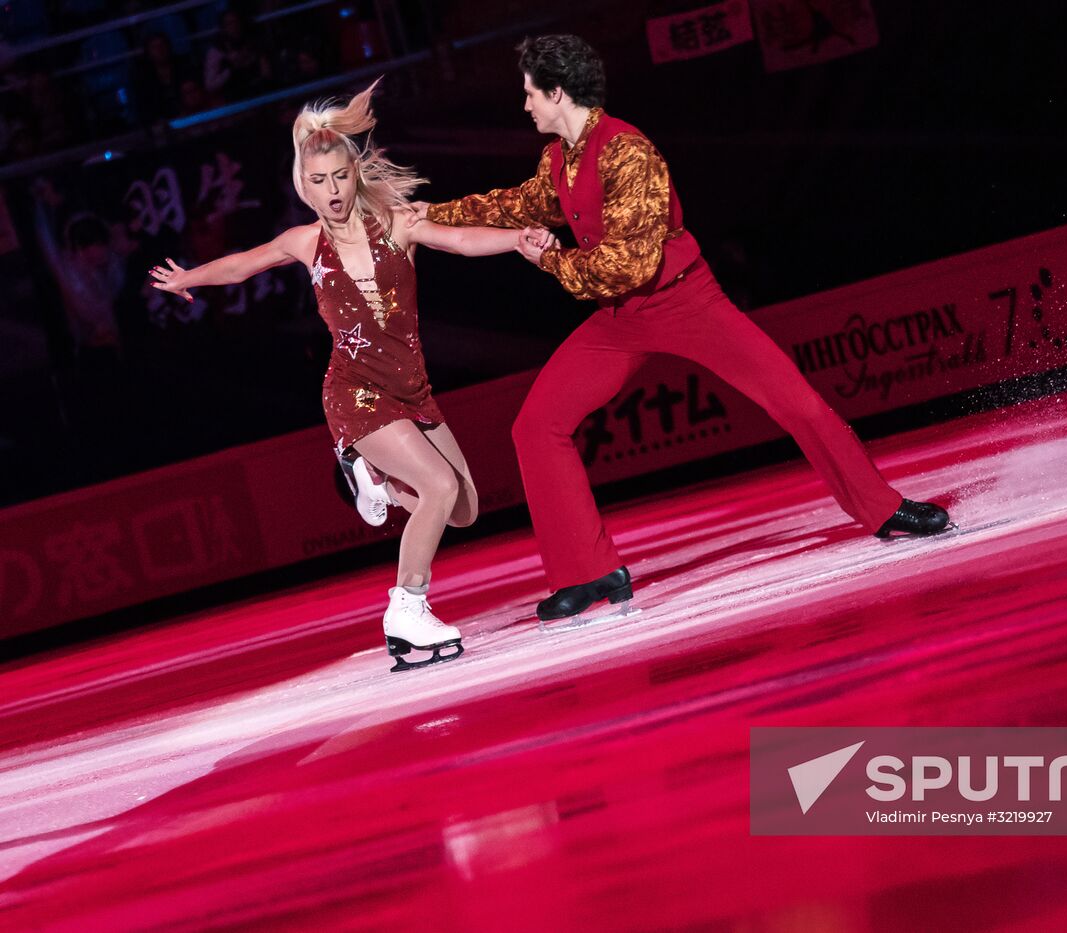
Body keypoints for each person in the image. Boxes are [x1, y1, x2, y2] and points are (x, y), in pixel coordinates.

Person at [413, 35, 952, 625]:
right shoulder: (558, 159)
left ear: (557, 92)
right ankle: (588, 573)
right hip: (623, 317)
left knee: (794, 402)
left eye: (529, 94)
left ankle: (884, 509)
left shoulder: (628, 152)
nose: (525, 107)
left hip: (684, 300)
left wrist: (549, 261)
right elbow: (518, 205)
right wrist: (429, 214)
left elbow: (629, 264)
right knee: (536, 426)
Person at [151, 80, 550, 671]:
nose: (332, 190)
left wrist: (518, 240)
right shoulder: (304, 242)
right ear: (303, 187)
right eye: (319, 181)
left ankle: (376, 484)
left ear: (353, 174)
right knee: (438, 489)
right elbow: (241, 265)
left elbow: (460, 239)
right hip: (355, 392)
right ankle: (406, 608)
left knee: (463, 507)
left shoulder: (396, 223)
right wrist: (188, 279)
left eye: (340, 176)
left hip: (413, 388)